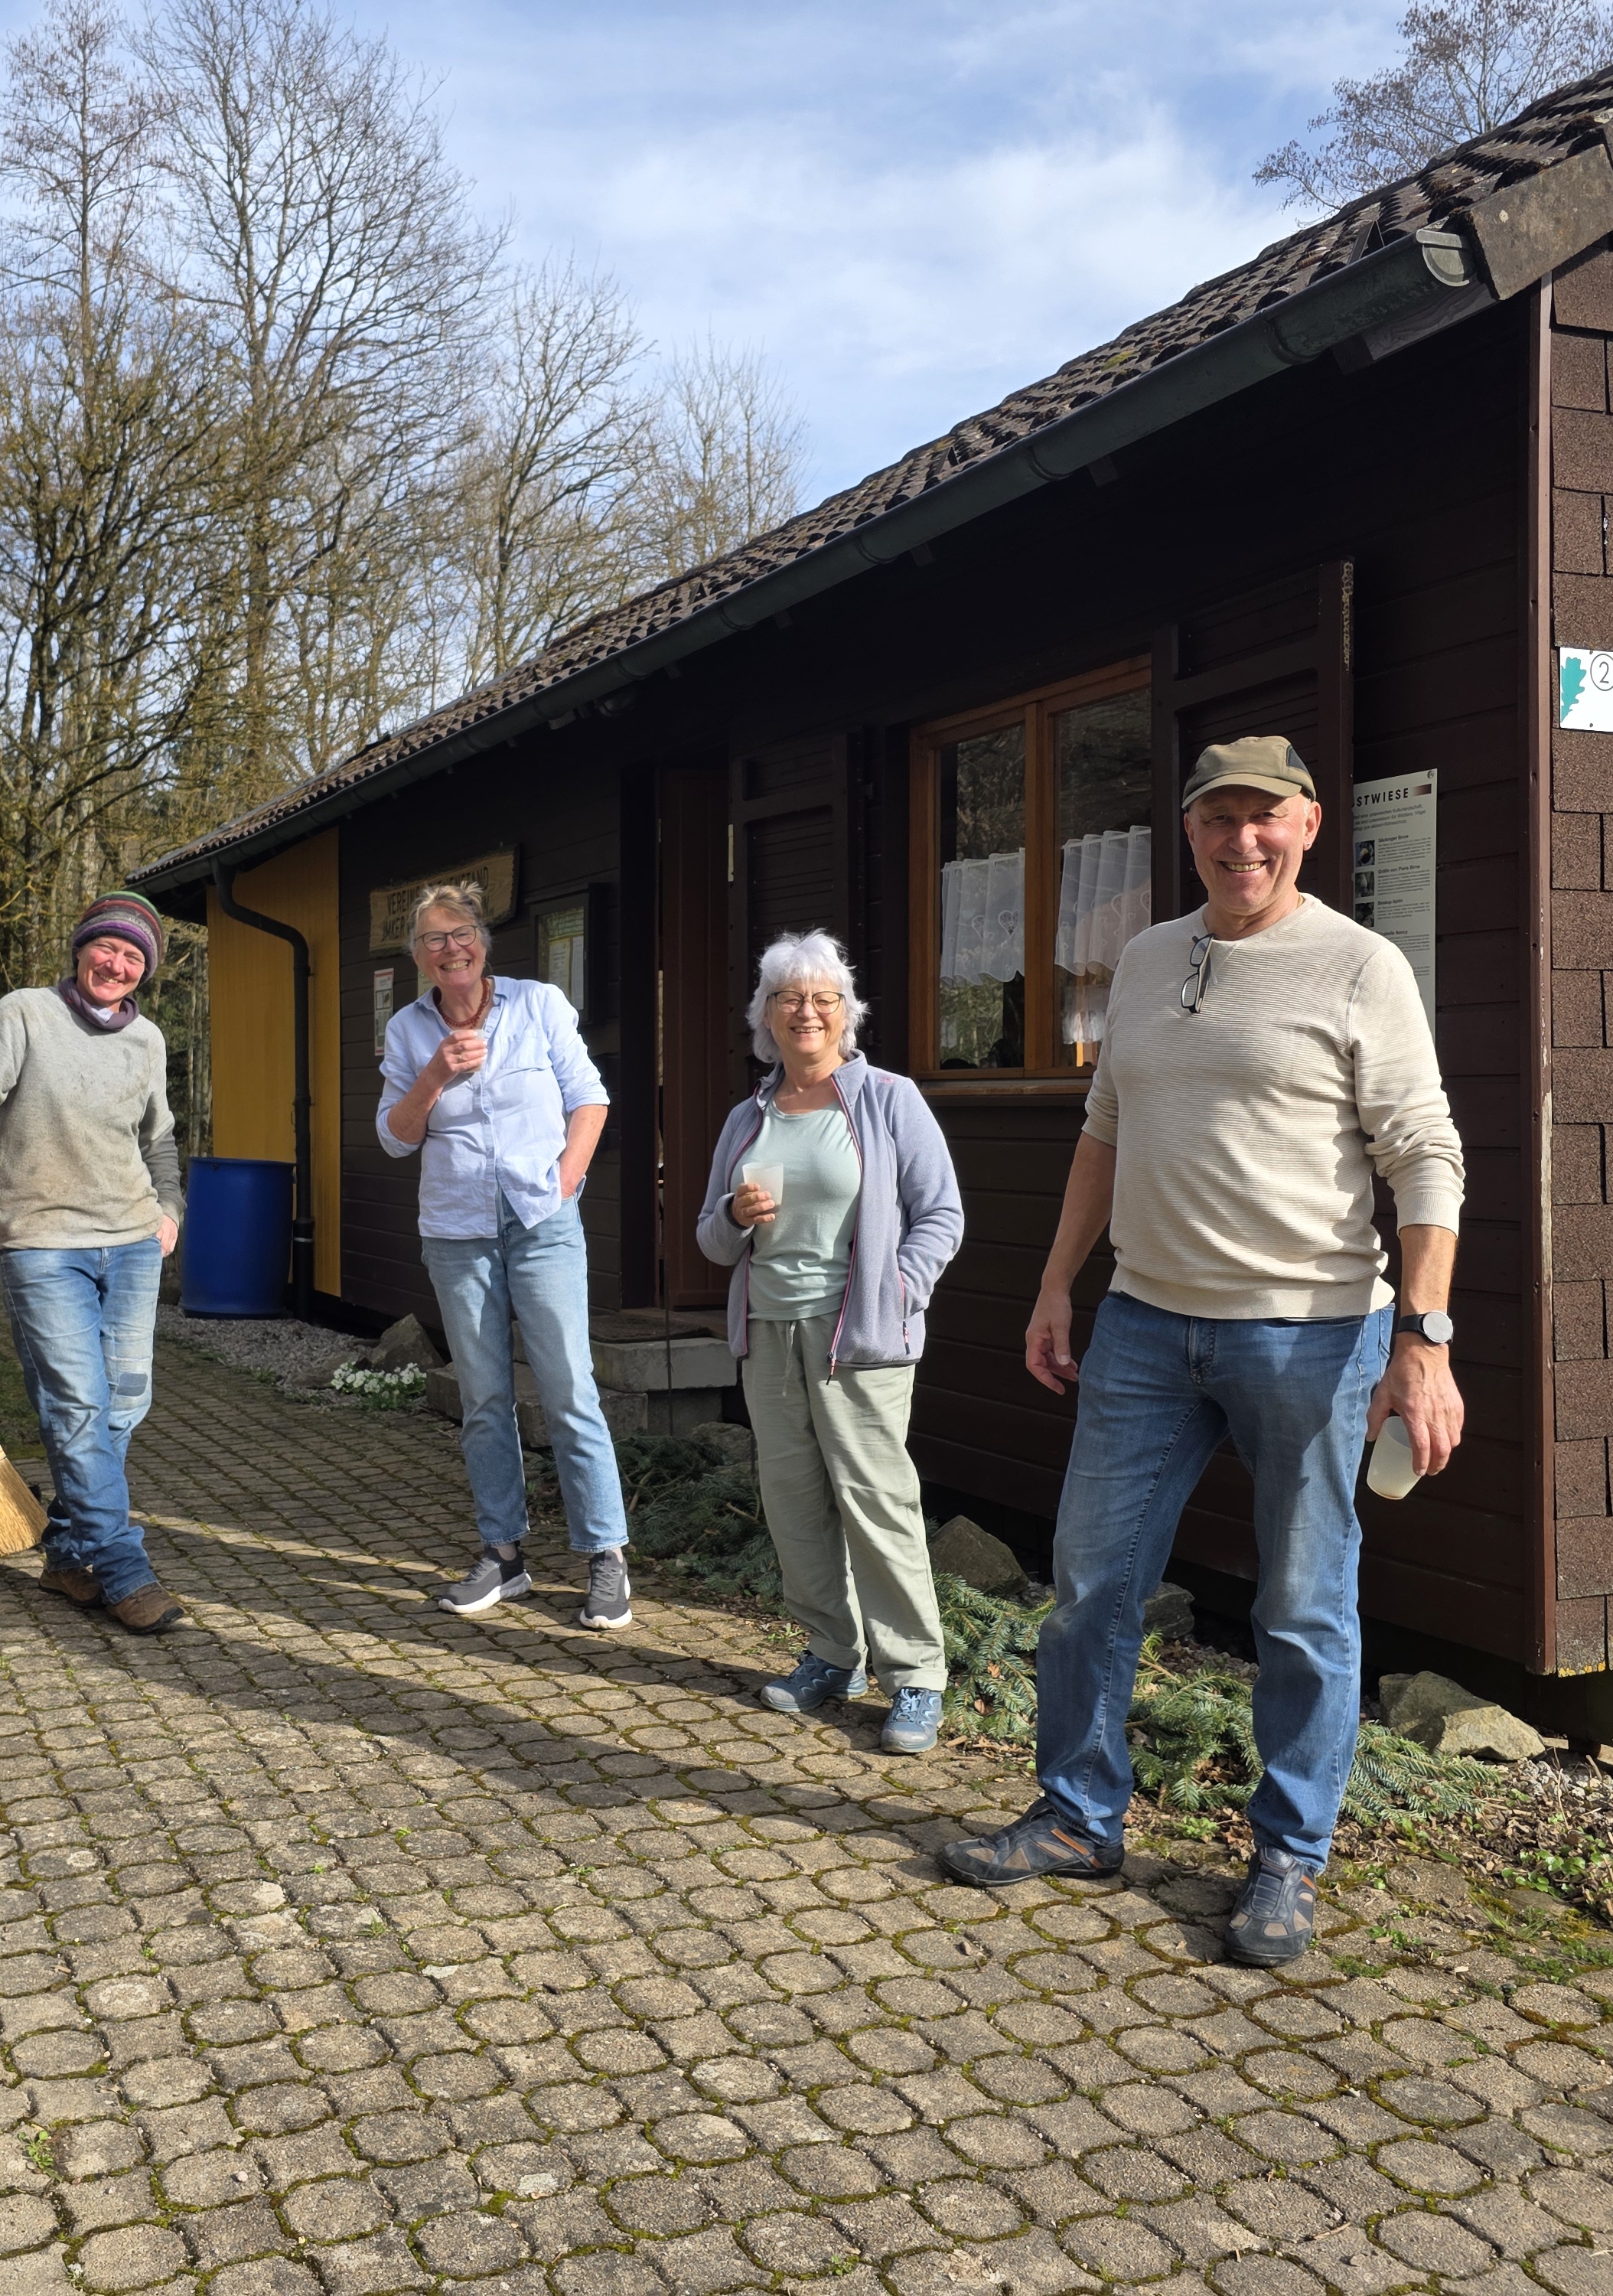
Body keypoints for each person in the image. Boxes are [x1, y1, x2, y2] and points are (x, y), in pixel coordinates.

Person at [937, 736, 1465, 1965]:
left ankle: (1286, 1858)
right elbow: (1103, 1129)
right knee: (1087, 1594)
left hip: (1315, 1335)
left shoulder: (1359, 966)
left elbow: (1424, 1153)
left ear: (1310, 826)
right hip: (1143, 1326)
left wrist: (1426, 1338)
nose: (1242, 842)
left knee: (1301, 1611)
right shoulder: (1142, 960)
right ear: (1189, 833)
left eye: (1264, 820)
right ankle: (1077, 1816)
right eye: (1219, 820)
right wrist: (1059, 1285)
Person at [694, 931, 963, 1756]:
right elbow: (708, 1240)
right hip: (768, 1334)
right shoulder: (749, 1118)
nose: (805, 1012)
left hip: (862, 1339)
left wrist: (899, 1290)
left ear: (844, 1015)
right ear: (766, 1018)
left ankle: (916, 1676)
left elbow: (941, 1215)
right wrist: (734, 1219)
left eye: (822, 999)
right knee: (795, 1505)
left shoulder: (886, 1099)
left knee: (878, 1505)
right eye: (788, 998)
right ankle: (831, 1654)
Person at [0, 890, 188, 1634]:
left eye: (133, 957)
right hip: (44, 1245)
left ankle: (70, 1556)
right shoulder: (25, 1013)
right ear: (80, 949)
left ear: (145, 972)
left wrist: (170, 1210)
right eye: (107, 947)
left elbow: (159, 1137)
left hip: (133, 1244)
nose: (117, 963)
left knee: (124, 1404)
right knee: (78, 1407)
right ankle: (123, 1569)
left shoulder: (148, 1042)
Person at [378, 882, 635, 1629]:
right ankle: (504, 1555)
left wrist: (565, 1181)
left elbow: (590, 1099)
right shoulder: (406, 1031)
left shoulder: (537, 1007)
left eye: (460, 933)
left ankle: (606, 1557)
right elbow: (396, 1136)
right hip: (456, 1234)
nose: (449, 948)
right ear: (421, 958)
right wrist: (433, 1077)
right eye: (433, 939)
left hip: (541, 1223)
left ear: (482, 942)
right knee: (485, 1399)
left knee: (568, 1389)